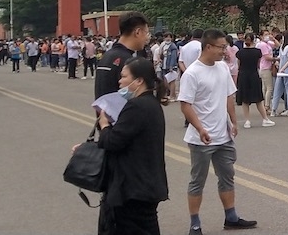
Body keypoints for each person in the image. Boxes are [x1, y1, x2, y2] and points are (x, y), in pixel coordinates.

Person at [179, 30, 257, 234]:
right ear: (208, 47)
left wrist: (233, 121)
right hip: (201, 139)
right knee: (198, 181)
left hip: (224, 135)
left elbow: (228, 96)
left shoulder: (222, 67)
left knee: (227, 176)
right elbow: (185, 105)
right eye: (222, 47)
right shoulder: (192, 73)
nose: (225, 51)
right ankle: (195, 224)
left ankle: (231, 217)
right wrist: (200, 128)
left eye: (226, 47)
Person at [96, 57, 168, 235]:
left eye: (124, 76)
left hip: (133, 188)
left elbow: (113, 141)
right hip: (146, 184)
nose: (120, 81)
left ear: (139, 81)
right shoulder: (151, 104)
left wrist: (104, 125)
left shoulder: (137, 106)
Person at [95, 13, 152, 100]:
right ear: (138, 32)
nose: (147, 38)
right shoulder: (129, 62)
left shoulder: (107, 56)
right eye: (146, 33)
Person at [234, 33, 274, 129]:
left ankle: (247, 121)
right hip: (253, 75)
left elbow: (238, 65)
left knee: (245, 99)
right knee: (258, 98)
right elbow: (258, 64)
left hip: (243, 75)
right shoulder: (257, 52)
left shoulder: (240, 52)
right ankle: (265, 119)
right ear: (253, 40)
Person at [270, 32, 288, 117]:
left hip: (280, 71)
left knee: (277, 91)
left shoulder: (282, 47)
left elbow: (280, 57)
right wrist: (284, 68)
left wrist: (280, 67)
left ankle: (273, 110)